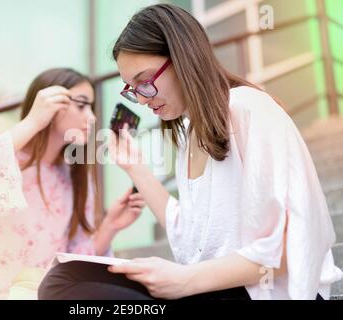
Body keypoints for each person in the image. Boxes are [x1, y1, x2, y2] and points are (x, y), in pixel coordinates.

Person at [38, 4, 342, 300]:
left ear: (183, 57)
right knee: (65, 279)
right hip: (208, 287)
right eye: (132, 89)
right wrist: (133, 167)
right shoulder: (189, 136)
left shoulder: (249, 108)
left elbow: (296, 243)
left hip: (262, 291)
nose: (141, 100)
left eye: (144, 82)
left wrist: (185, 280)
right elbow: (186, 233)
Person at [0, 68, 146, 299]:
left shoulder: (75, 178)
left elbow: (72, 261)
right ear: (49, 103)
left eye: (91, 106)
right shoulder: (3, 153)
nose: (92, 117)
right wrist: (33, 121)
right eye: (81, 105)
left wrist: (110, 226)